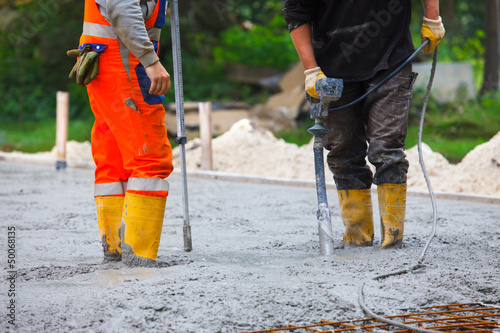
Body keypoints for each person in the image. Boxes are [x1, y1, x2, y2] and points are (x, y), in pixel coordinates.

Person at [283, 0, 444, 248]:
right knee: (343, 152)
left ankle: (392, 241)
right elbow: (297, 12)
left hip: (390, 60)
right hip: (331, 69)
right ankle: (358, 238)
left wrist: (432, 17)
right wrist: (310, 70)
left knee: (387, 148)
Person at [72, 0, 173, 266]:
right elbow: (120, 7)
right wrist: (150, 60)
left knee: (113, 161)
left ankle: (115, 249)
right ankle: (139, 257)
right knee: (149, 158)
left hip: (106, 62)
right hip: (125, 62)